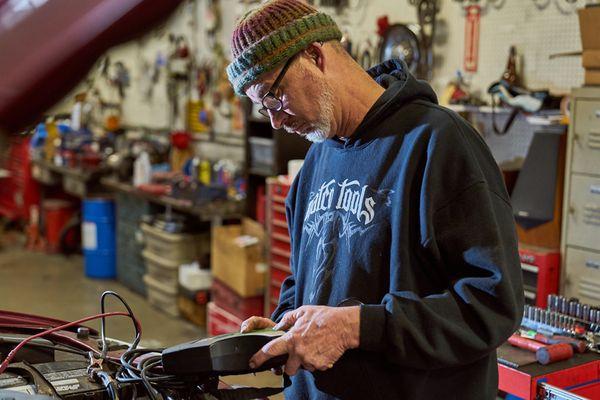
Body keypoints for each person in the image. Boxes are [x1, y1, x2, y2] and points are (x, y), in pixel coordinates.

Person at [226, 1, 524, 399]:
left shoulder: (438, 144)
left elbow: (492, 304)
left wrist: (357, 327)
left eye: (274, 98)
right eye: (264, 110)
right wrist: (285, 326)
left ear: (314, 56)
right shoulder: (316, 159)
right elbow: (305, 280)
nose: (276, 121)